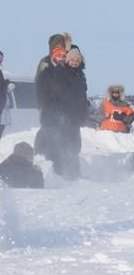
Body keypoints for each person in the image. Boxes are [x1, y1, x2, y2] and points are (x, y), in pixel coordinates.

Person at [35, 44, 88, 179]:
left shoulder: (80, 76)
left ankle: (73, 173)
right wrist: (54, 111)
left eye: (63, 56)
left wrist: (83, 112)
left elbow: (80, 97)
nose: (62, 58)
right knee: (54, 144)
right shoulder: (49, 72)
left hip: (72, 117)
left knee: (73, 145)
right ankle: (54, 173)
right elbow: (44, 95)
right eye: (60, 56)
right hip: (54, 116)